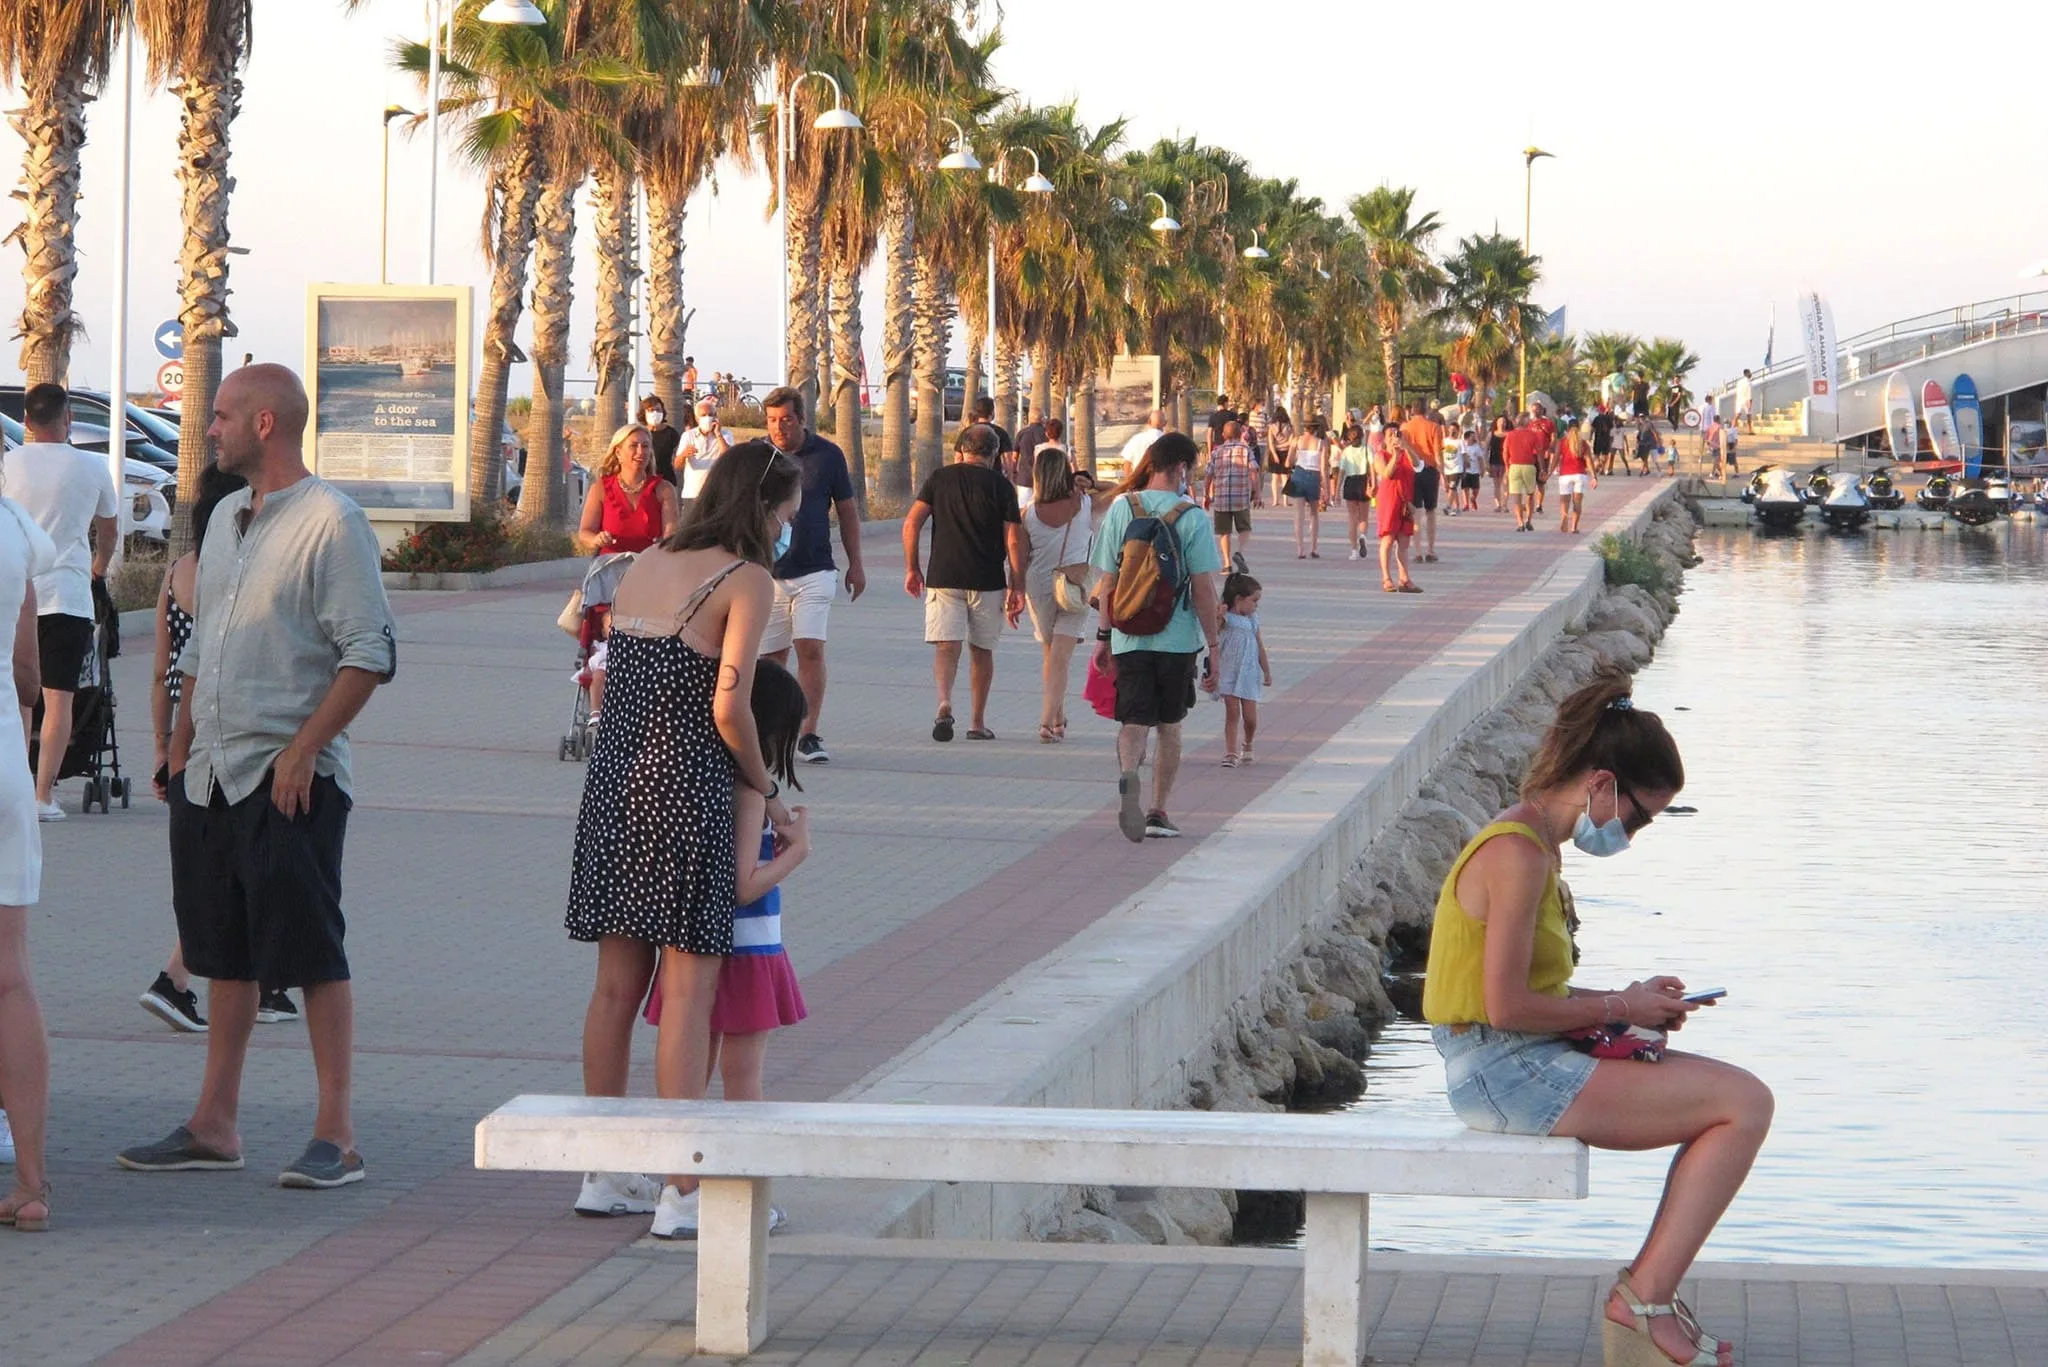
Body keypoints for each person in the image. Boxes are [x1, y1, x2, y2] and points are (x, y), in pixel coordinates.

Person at [1424, 670, 1769, 1367]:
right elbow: (1505, 1006)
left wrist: (1629, 1002)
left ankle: (1650, 1299)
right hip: (1501, 1069)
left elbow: (1525, 994)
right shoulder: (1517, 855)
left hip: (1509, 1056)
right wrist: (1622, 1007)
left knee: (1742, 1101)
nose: (1632, 834)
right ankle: (1642, 1302)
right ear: (1602, 783)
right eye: (1638, 815)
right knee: (1742, 1104)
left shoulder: (1533, 845)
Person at [118, 363, 398, 1191]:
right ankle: (215, 1123)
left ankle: (337, 1135)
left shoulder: (333, 522)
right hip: (208, 776)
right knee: (224, 955)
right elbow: (203, 646)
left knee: (311, 952)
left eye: (225, 416)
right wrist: (175, 742)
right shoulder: (230, 519)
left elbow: (370, 653)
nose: (211, 429)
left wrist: (306, 748)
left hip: (288, 779)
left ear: (268, 424)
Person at [565, 439, 799, 1229]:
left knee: (614, 987)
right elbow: (730, 708)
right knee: (690, 993)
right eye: (784, 513)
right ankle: (684, 1186)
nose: (785, 528)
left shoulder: (649, 559)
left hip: (614, 785)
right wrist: (765, 790)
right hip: (687, 788)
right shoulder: (747, 580)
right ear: (761, 509)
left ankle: (603, 1170)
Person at [639, 658, 812, 1239]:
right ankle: (743, 1195)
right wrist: (795, 855)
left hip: (710, 948)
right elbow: (744, 885)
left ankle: (684, 1182)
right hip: (744, 951)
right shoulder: (745, 790)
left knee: (705, 1072)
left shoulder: (717, 776)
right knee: (745, 1083)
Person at [139, 463, 300, 1034]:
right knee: (243, 867)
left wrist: (161, 750)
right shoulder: (239, 571)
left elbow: (164, 672)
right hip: (234, 734)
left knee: (221, 867)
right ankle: (183, 979)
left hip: (187, 736)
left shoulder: (179, 572)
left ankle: (253, 983)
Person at [1089, 433, 1222, 842]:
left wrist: (1102, 637)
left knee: (1133, 720)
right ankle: (1158, 811)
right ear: (1181, 468)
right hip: (1177, 639)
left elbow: (1107, 582)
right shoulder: (1194, 517)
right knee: (1169, 724)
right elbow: (1203, 589)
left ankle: (1130, 775)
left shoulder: (1120, 509)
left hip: (1128, 637)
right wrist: (1214, 647)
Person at [0, 383, 117, 822]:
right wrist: (99, 569)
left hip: (14, 593)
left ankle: (12, 788)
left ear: (26, 421)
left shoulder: (9, 464)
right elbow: (108, 531)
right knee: (58, 697)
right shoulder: (91, 467)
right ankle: (43, 795)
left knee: (19, 697)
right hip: (67, 595)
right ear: (68, 419)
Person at [0, 487, 56, 1232]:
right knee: (10, 978)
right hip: (4, 767)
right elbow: (27, 670)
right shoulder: (10, 522)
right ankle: (33, 1184)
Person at [761, 387, 867, 765]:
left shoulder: (827, 456)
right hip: (767, 574)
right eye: (772, 420)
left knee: (810, 647)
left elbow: (849, 512)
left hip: (815, 570)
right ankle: (772, 734)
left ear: (801, 419)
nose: (778, 428)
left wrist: (856, 563)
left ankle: (808, 732)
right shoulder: (758, 456)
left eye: (786, 420)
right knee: (772, 658)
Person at [902, 424, 1026, 743]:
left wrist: (912, 567)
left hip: (943, 576)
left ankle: (944, 701)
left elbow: (912, 522)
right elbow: (1013, 539)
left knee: (946, 645)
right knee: (981, 650)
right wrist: (1017, 583)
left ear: (962, 449)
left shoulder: (939, 479)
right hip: (987, 579)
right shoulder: (1001, 486)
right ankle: (976, 722)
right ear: (994, 453)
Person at [1020, 448, 1092, 745]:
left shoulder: (1027, 513)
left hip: (1038, 584)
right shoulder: (1083, 502)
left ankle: (1057, 717)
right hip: (1074, 582)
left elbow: (1021, 557)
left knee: (1051, 655)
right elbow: (1121, 491)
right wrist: (1088, 482)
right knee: (1060, 657)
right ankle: (1047, 722)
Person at [577, 423, 681, 555]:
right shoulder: (600, 489)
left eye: (645, 446)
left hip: (649, 567)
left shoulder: (664, 489)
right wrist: (596, 539)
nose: (640, 451)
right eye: (633, 446)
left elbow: (670, 537)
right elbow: (585, 532)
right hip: (610, 566)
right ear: (618, 453)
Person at [1209, 571, 1270, 769]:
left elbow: (1259, 645)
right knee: (1232, 713)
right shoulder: (1226, 618)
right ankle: (1230, 752)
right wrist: (1217, 615)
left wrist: (1266, 671)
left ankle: (1248, 743)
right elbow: (1214, 630)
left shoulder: (1253, 620)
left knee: (1250, 718)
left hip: (1249, 674)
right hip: (1229, 672)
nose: (1256, 606)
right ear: (1239, 599)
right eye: (1254, 601)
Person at [1203, 419, 1259, 569]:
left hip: (1221, 498)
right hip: (1240, 497)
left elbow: (1208, 475)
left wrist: (1206, 495)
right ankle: (1239, 552)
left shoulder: (1216, 452)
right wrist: (1257, 493)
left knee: (1224, 532)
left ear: (1223, 435)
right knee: (1245, 528)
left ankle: (1227, 564)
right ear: (1240, 433)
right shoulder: (1246, 450)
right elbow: (1254, 471)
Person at [1371, 428, 1420, 593]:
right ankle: (1386, 578)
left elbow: (1418, 465)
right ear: (1384, 439)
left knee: (1404, 542)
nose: (1394, 438)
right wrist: (1395, 456)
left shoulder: (1406, 455)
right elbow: (1386, 473)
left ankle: (1404, 578)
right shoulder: (1381, 456)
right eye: (1390, 435)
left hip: (1405, 502)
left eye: (1396, 435)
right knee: (1388, 540)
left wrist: (1405, 447)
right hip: (1389, 502)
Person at [675, 397, 732, 508]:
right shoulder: (688, 436)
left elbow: (729, 457)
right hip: (693, 493)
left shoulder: (725, 434)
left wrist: (718, 435)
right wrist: (684, 455)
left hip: (717, 493)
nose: (708, 418)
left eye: (711, 415)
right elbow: (677, 465)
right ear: (697, 418)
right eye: (704, 415)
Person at [1285, 417, 1328, 559]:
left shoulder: (1296, 440)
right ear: (1316, 428)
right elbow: (1323, 468)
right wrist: (1326, 488)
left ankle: (1300, 549)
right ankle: (1314, 547)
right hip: (1313, 476)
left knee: (1299, 514)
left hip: (1299, 474)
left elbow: (1288, 462)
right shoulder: (1321, 443)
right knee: (1314, 513)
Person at [1336, 422, 1375, 560]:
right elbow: (1372, 468)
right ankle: (1363, 536)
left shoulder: (1346, 451)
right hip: (1363, 482)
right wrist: (1373, 484)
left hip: (1350, 482)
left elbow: (1341, 472)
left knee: (1352, 518)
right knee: (1364, 517)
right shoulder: (1367, 449)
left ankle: (1354, 550)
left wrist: (1337, 491)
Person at [1504, 414, 1546, 532]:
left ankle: (1520, 522)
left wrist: (1507, 468)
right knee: (1530, 495)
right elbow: (1539, 452)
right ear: (1526, 422)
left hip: (1514, 467)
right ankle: (1529, 520)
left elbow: (1505, 452)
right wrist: (1542, 468)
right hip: (1528, 466)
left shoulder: (1510, 435)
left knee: (1516, 497)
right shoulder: (1533, 435)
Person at [1409, 431, 1443, 563]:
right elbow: (1437, 453)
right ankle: (1430, 550)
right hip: (1430, 469)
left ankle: (1417, 552)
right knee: (1431, 511)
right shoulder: (1433, 428)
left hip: (1413, 470)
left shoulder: (1406, 427)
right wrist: (1442, 472)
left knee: (1416, 512)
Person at [1556, 425, 1597, 534]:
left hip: (1565, 475)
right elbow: (1589, 461)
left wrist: (1549, 472)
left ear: (1567, 431)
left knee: (1564, 501)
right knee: (1577, 502)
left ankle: (1564, 516)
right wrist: (1594, 477)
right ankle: (1574, 527)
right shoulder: (1583, 444)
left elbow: (1555, 459)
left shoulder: (1562, 442)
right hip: (1580, 475)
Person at [640, 396, 681, 485]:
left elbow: (677, 457)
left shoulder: (671, 433)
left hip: (667, 479)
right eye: (651, 410)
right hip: (644, 480)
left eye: (658, 410)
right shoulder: (640, 433)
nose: (655, 413)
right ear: (644, 413)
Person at [1118, 406, 1168, 472]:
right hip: (1160, 481)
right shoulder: (1169, 442)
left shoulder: (1136, 439)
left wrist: (1130, 480)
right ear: (1165, 423)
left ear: (1149, 422)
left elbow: (1127, 463)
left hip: (1139, 480)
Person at [1264, 406, 1295, 505]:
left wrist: (1274, 453)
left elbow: (1271, 442)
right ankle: (1286, 501)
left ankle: (1275, 500)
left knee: (1275, 478)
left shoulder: (1272, 426)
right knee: (1285, 477)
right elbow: (1291, 442)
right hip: (1286, 452)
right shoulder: (1289, 426)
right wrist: (1282, 445)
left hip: (1274, 453)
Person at [1457, 426, 1487, 512]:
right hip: (1465, 471)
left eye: (1474, 436)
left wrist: (1482, 469)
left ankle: (1473, 498)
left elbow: (1480, 459)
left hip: (1475, 471)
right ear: (1467, 438)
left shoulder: (1476, 447)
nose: (1474, 438)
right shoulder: (1462, 446)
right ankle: (1466, 504)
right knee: (1465, 488)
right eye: (1472, 436)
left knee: (1476, 489)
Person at [1487, 415, 1510, 512]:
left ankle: (1505, 504)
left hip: (1506, 462)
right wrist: (1485, 462)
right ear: (1496, 422)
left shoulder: (1509, 434)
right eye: (1500, 421)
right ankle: (1498, 504)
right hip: (1494, 461)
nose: (1502, 423)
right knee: (1496, 485)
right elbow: (1486, 449)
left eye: (1504, 421)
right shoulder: (1491, 434)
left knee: (1506, 484)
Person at [1590, 404, 1619, 477]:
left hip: (1598, 438)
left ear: (1599, 410)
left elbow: (1592, 429)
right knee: (1605, 455)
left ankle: (1598, 464)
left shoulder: (1596, 418)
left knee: (1596, 454)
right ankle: (1602, 469)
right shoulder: (1608, 418)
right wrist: (1612, 438)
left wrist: (1590, 436)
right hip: (1606, 439)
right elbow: (1612, 428)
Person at [1735, 368, 1754, 434]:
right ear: (1747, 374)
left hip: (1739, 400)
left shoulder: (1739, 382)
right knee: (1749, 416)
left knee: (1737, 415)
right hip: (1746, 400)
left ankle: (1733, 429)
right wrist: (1750, 404)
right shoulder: (1749, 383)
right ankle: (1750, 430)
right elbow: (1749, 394)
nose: (1750, 374)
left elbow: (1737, 391)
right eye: (1749, 372)